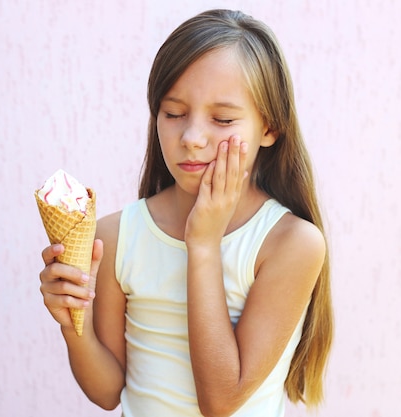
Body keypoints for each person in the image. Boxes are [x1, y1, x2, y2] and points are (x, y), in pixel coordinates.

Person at [39, 9, 333, 417]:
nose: (192, 138)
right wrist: (73, 323)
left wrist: (204, 244)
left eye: (223, 119)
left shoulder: (291, 243)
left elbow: (221, 401)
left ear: (269, 128)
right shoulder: (118, 236)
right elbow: (108, 392)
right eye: (173, 113)